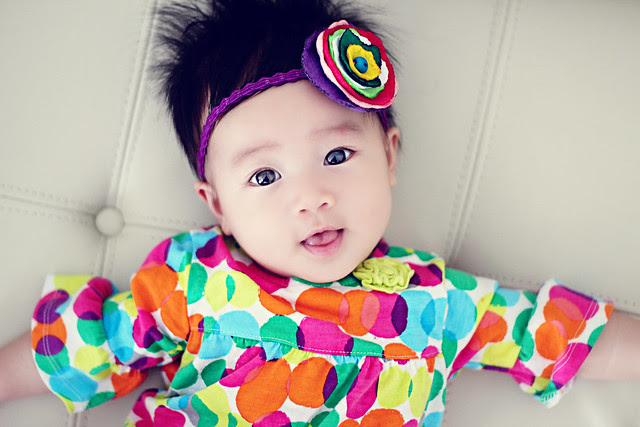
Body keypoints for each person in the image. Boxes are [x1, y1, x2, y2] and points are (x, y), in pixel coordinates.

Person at [0, 0, 638, 425]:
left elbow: (549, 333)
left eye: (336, 155)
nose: (311, 197)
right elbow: (84, 346)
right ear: (218, 205)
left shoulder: (436, 299)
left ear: (389, 156)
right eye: (265, 176)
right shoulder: (192, 282)